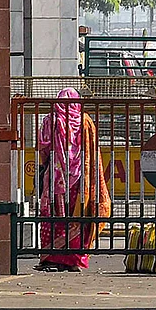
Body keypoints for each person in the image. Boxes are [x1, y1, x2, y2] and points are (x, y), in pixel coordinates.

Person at [35, 88, 111, 272]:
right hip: (80, 180)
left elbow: (43, 148)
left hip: (55, 178)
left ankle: (51, 259)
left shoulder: (50, 120)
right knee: (78, 216)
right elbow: (93, 149)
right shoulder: (85, 121)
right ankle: (76, 259)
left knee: (53, 216)